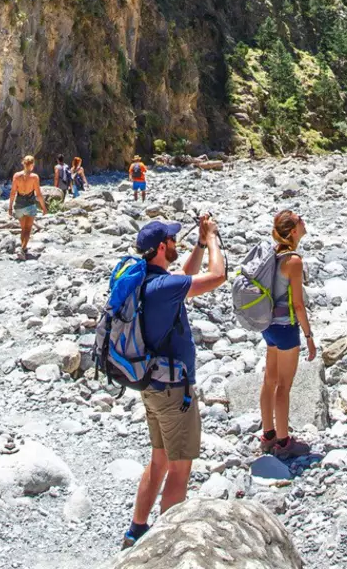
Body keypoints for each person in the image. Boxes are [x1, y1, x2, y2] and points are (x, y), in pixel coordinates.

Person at [124, 215, 226, 549]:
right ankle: (166, 545)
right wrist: (212, 239)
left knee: (159, 460)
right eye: (171, 240)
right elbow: (217, 276)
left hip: (152, 386)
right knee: (180, 468)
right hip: (173, 391)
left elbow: (185, 276)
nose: (175, 243)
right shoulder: (163, 288)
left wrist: (197, 244)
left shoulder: (149, 282)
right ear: (160, 248)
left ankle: (136, 531)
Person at [256, 209, 316, 459]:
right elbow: (298, 305)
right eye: (300, 219)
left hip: (268, 326)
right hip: (285, 328)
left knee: (270, 380)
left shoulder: (274, 253)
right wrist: (309, 337)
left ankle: (268, 435)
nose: (304, 221)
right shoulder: (294, 261)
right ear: (293, 231)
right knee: (284, 385)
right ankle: (284, 441)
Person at [9, 155, 45, 260]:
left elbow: (12, 193)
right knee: (28, 229)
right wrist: (43, 207)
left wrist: (10, 207)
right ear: (32, 164)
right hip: (29, 205)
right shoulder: (34, 177)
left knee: (22, 229)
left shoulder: (16, 176)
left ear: (24, 164)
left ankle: (23, 249)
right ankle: (22, 248)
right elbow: (38, 194)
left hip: (19, 205)